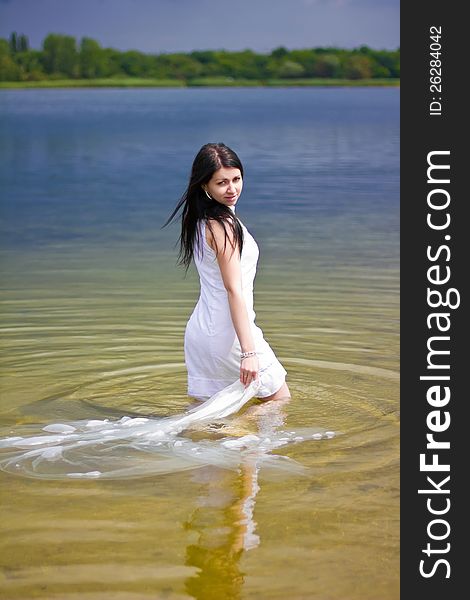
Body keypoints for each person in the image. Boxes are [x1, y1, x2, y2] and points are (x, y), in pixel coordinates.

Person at [164, 142, 290, 402]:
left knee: (210, 420)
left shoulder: (200, 221)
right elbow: (234, 289)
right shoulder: (223, 226)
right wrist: (249, 352)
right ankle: (240, 433)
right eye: (222, 183)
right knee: (279, 402)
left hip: (202, 333)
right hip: (229, 335)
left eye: (237, 179)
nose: (232, 189)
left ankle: (218, 438)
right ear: (204, 186)